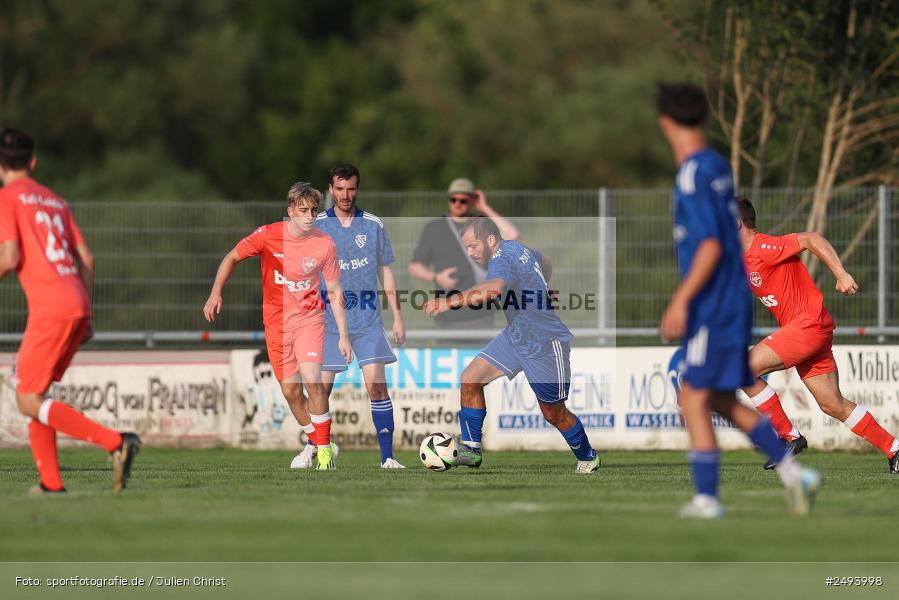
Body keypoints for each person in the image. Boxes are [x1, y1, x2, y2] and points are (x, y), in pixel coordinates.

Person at [655, 82, 819, 518]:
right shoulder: (716, 165)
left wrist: (681, 300)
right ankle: (793, 474)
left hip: (712, 305)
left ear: (665, 123)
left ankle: (707, 501)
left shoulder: (692, 174)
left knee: (692, 398)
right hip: (730, 302)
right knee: (721, 399)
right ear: (704, 119)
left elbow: (709, 244)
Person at [0, 127, 140, 494]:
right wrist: (88, 314)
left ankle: (115, 441)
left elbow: (9, 256)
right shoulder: (56, 201)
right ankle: (50, 483)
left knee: (27, 400)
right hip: (76, 299)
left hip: (49, 306)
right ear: (32, 161)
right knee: (36, 393)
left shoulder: (9, 197)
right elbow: (87, 258)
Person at [423, 217, 600, 473]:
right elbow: (545, 261)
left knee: (554, 413)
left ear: (490, 240)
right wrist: (540, 288)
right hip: (515, 337)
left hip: (545, 342)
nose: (470, 253)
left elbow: (493, 290)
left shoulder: (501, 258)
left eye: (473, 246)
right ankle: (472, 451)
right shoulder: (518, 248)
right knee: (470, 379)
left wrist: (448, 302)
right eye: (467, 248)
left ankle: (588, 456)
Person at [735, 197, 899, 473]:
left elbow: (811, 238)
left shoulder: (762, 246)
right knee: (832, 404)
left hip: (807, 325)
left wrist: (841, 273)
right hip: (812, 329)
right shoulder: (741, 258)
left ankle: (789, 437)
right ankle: (894, 450)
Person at [204, 182, 352, 470]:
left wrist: (344, 335)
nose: (309, 216)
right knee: (292, 393)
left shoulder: (324, 243)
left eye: (313, 211)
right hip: (276, 324)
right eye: (302, 210)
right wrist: (215, 292)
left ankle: (323, 456)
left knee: (312, 378)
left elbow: (335, 291)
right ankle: (323, 443)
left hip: (309, 319)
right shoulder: (269, 235)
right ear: (290, 212)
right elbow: (232, 256)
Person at [291, 164, 406, 469]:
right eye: (339, 189)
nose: (345, 195)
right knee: (320, 391)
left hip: (367, 320)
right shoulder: (316, 226)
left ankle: (388, 459)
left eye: (351, 188)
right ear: (331, 189)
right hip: (327, 322)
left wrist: (397, 316)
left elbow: (386, 271)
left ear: (358, 189)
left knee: (377, 387)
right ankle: (314, 448)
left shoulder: (373, 225)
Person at [409, 178, 519, 332]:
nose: (457, 204)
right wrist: (436, 277)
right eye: (453, 199)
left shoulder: (482, 224)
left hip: (481, 314)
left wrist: (485, 207)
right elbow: (414, 267)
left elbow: (512, 235)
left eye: (463, 200)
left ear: (472, 200)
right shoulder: (434, 228)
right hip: (446, 314)